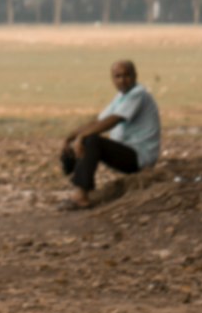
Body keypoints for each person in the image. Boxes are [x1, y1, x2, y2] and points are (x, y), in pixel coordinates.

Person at [60, 59, 161, 208]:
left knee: (92, 140)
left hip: (139, 157)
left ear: (135, 76)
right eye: (117, 76)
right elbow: (99, 121)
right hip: (127, 153)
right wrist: (71, 137)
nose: (122, 80)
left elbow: (113, 120)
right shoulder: (121, 97)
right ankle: (76, 184)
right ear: (112, 79)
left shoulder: (138, 94)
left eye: (126, 75)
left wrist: (82, 137)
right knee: (82, 141)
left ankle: (81, 195)